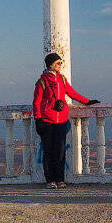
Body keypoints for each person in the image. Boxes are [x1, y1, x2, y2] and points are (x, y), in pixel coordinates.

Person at [33, 53, 99, 189]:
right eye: (58, 63)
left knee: (60, 151)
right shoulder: (42, 82)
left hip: (61, 121)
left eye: (61, 63)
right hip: (47, 121)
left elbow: (72, 93)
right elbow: (37, 102)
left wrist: (87, 102)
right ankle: (50, 180)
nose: (60, 65)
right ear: (50, 65)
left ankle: (60, 179)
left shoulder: (62, 79)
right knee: (48, 151)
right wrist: (38, 120)